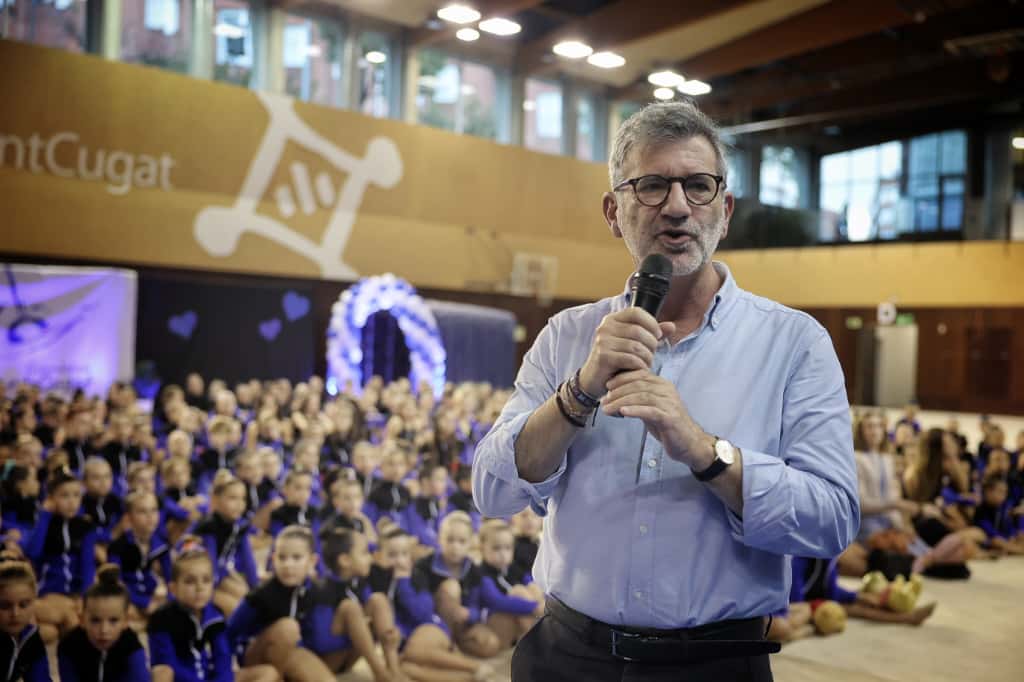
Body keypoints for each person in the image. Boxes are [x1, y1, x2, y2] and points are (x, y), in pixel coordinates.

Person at [473, 101, 859, 682]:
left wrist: (704, 450)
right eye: (651, 185)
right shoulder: (568, 336)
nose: (677, 207)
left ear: (724, 210)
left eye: (698, 186)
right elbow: (492, 491)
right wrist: (578, 392)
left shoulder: (795, 343)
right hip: (568, 658)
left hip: (714, 665)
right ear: (613, 211)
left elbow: (831, 520)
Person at [57, 565, 151, 682]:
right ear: (82, 619)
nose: (104, 630)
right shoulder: (69, 646)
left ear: (126, 621)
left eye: (113, 621)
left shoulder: (132, 647)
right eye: (95, 620)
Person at [0, 559, 51, 682]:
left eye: (23, 605)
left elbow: (41, 678)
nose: (15, 613)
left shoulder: (30, 636)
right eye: (5, 606)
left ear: (34, 602)